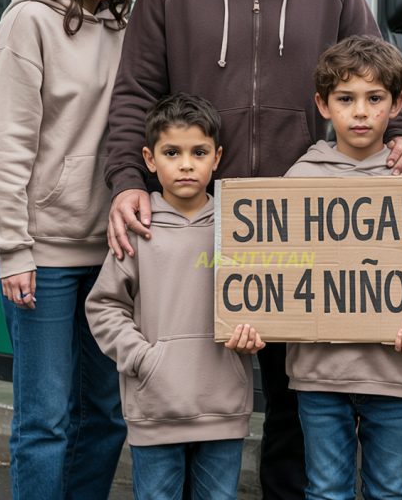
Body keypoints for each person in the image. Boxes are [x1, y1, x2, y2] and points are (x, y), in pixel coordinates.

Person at [103, 0, 402, 498]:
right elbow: (135, 94)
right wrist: (127, 183)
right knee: (199, 390)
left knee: (295, 403)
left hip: (302, 226)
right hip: (201, 222)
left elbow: (379, 75)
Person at [0, 0, 140, 500]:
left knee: (106, 415)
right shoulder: (28, 21)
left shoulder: (126, 25)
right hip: (41, 258)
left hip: (111, 254)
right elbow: (3, 144)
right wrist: (11, 249)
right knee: (44, 420)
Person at [284, 35, 402, 500]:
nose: (360, 112)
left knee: (390, 491)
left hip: (395, 371)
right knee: (326, 491)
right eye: (346, 99)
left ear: (397, 104)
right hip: (318, 375)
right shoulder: (297, 180)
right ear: (323, 105)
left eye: (374, 99)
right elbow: (274, 270)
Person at [86, 93, 264, 500]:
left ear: (216, 157)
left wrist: (255, 333)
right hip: (155, 408)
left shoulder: (240, 226)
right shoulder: (137, 227)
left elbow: (264, 300)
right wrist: (143, 359)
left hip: (223, 407)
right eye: (172, 152)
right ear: (149, 159)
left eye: (198, 152)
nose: (186, 163)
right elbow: (105, 305)